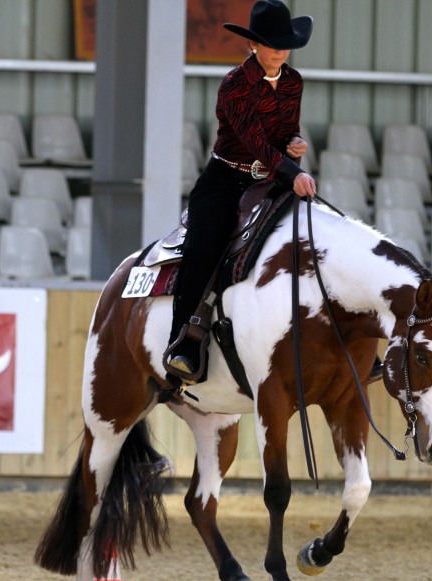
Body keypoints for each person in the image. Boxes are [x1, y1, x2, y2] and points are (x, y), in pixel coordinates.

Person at [164, 0, 316, 384]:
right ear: (253, 45)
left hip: (269, 178)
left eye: (285, 43)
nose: (280, 50)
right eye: (271, 43)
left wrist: (294, 141)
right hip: (225, 178)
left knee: (314, 237)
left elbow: (284, 132)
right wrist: (292, 169)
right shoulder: (234, 85)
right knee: (203, 248)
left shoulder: (294, 81)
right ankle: (182, 342)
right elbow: (253, 142)